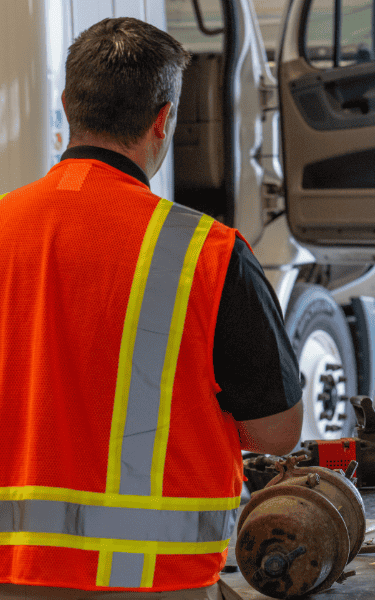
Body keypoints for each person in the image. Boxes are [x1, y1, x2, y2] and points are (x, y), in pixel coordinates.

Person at [0, 17, 303, 599]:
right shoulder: (208, 253)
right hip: (151, 580)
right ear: (163, 119)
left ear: (66, 107)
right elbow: (276, 431)